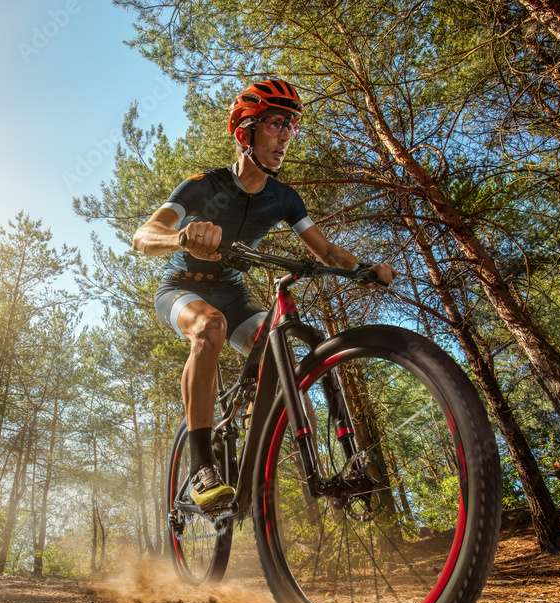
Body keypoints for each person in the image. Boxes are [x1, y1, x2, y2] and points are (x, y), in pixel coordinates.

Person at [132, 79, 397, 509]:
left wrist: (364, 269)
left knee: (281, 362)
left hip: (233, 292)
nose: (287, 136)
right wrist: (181, 238)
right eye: (276, 124)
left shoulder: (283, 198)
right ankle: (201, 465)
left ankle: (282, 456)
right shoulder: (204, 185)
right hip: (183, 288)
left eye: (292, 126)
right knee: (210, 327)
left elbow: (326, 249)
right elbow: (143, 236)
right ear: (246, 133)